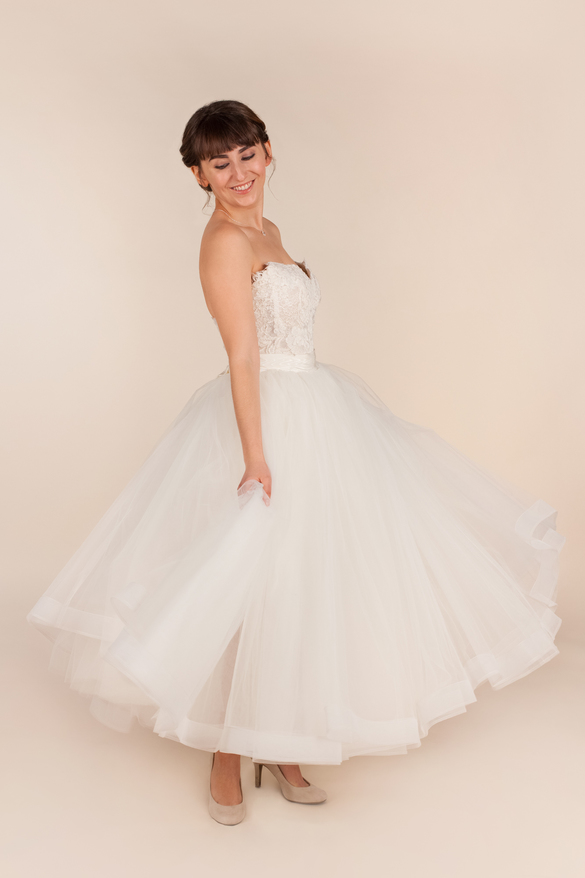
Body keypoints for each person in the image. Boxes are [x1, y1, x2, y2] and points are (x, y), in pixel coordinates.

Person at [27, 99, 565, 826]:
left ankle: (280, 742)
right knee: (250, 584)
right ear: (198, 176)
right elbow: (243, 355)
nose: (238, 172)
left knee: (306, 581)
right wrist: (256, 457)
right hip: (268, 419)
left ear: (268, 151)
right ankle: (226, 752)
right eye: (219, 163)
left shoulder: (268, 230)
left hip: (319, 408)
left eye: (246, 155)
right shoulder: (224, 241)